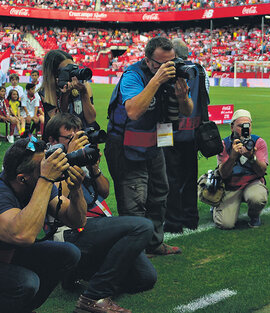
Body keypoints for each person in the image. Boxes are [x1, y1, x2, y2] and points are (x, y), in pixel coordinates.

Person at [46, 113, 157, 313]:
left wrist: (93, 168)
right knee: (142, 226)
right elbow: (59, 198)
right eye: (69, 138)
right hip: (69, 231)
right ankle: (93, 296)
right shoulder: (48, 164)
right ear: (52, 140)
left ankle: (76, 271)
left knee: (146, 278)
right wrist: (69, 158)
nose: (76, 142)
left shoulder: (81, 157)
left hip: (96, 227)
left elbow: (104, 192)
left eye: (78, 136)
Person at [106, 36, 193, 256]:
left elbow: (187, 110)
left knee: (159, 194)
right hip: (125, 147)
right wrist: (156, 81)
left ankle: (154, 244)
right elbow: (134, 111)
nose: (166, 68)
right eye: (160, 64)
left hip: (153, 145)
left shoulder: (174, 75)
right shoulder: (133, 76)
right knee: (134, 201)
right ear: (148, 60)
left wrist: (183, 97)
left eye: (170, 62)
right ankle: (134, 254)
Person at [0, 137, 86, 313]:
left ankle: (24, 308)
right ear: (22, 178)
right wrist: (46, 179)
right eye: (43, 168)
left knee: (68, 253)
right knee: (26, 282)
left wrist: (76, 190)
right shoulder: (3, 193)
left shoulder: (38, 183)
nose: (50, 170)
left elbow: (77, 221)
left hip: (9, 255)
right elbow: (22, 235)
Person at [163, 38, 209, 233]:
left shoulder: (167, 70)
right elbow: (205, 98)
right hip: (192, 131)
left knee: (169, 178)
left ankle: (173, 222)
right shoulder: (200, 70)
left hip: (167, 131)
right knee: (189, 177)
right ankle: (191, 218)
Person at [213, 109, 269, 229]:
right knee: (225, 224)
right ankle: (216, 205)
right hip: (231, 185)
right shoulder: (224, 144)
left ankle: (254, 215)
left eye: (247, 126)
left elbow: (262, 171)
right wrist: (232, 157)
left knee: (258, 198)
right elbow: (223, 174)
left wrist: (251, 158)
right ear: (232, 127)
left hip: (251, 183)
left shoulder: (258, 142)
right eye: (240, 126)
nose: (245, 129)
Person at [39, 50, 97, 134]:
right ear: (55, 73)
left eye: (73, 67)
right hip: (60, 142)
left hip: (83, 138)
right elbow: (59, 126)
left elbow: (91, 119)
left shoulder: (84, 85)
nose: (72, 73)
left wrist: (84, 93)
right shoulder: (46, 93)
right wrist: (65, 95)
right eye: (67, 70)